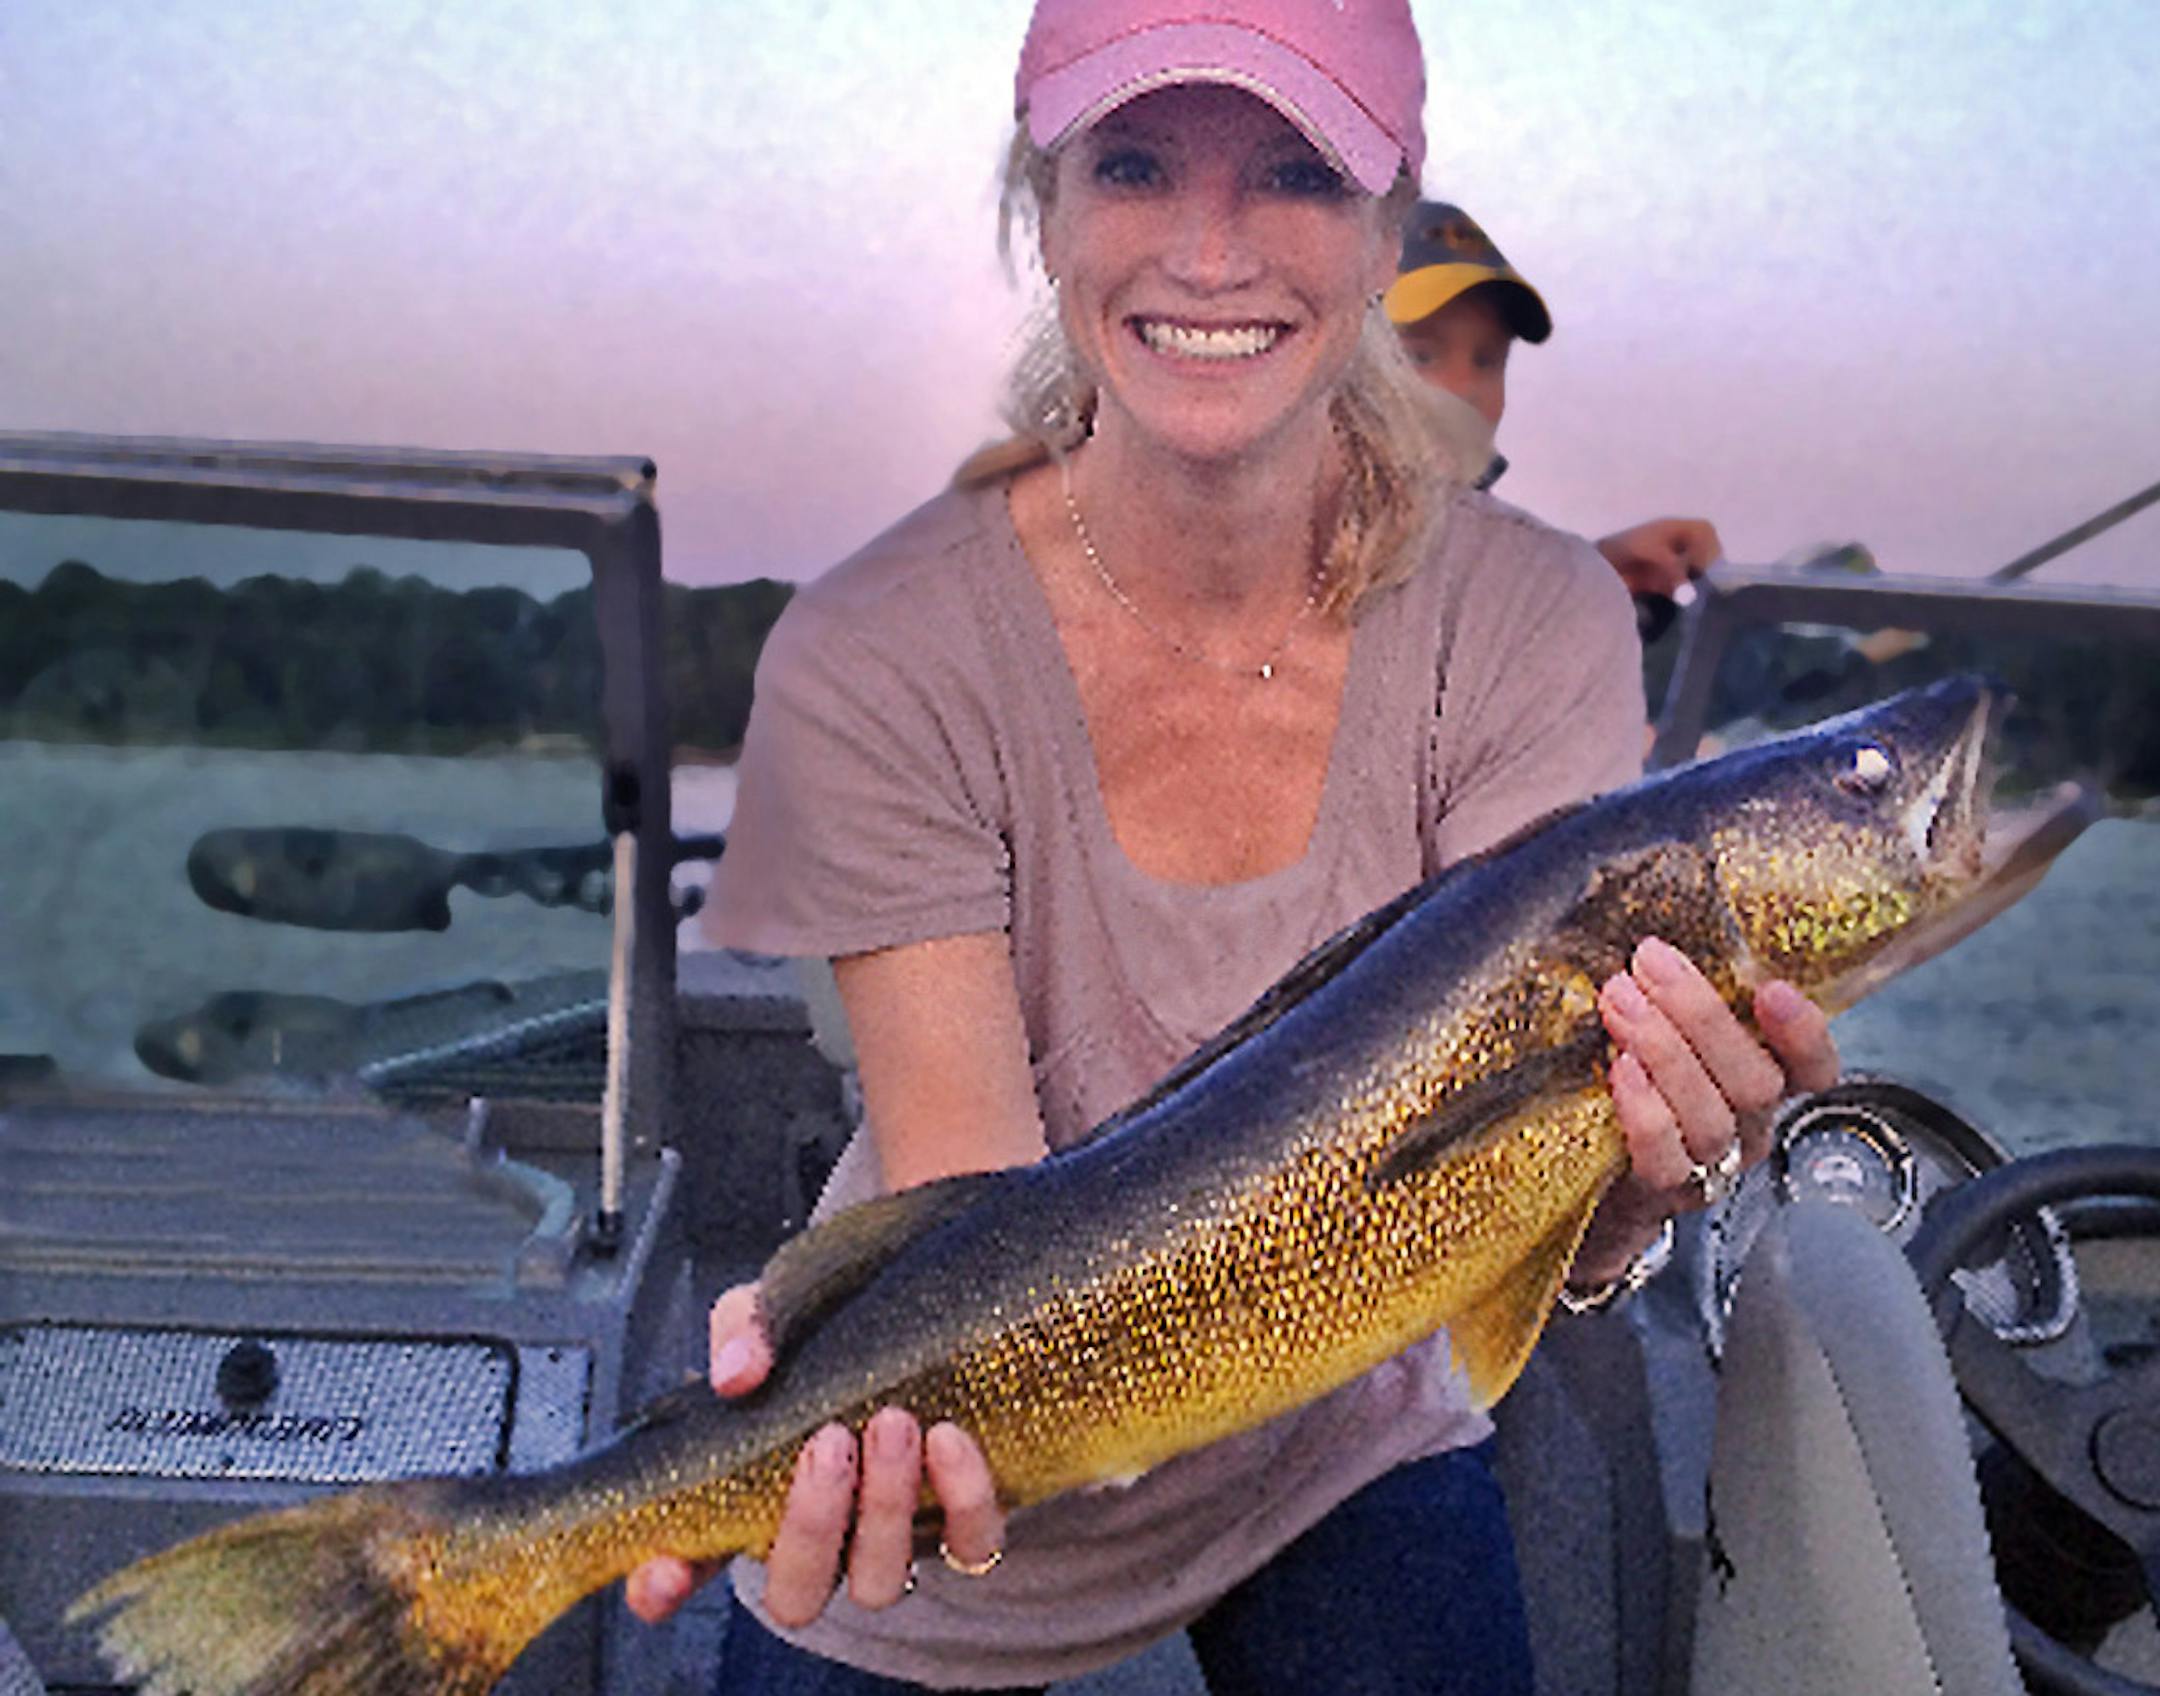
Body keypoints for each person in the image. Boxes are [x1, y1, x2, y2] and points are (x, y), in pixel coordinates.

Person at [630, 2, 1839, 1690]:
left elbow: (1535, 1163)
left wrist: (1653, 1172)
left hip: (1342, 1432)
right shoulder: (874, 648)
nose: (1209, 252)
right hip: (989, 1420)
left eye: (1292, 171)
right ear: (1041, 211)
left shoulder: (1539, 617)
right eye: (1133, 165)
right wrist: (861, 1430)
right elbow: (972, 1201)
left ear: (1384, 230)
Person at [1383, 201, 1724, 612]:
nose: (1466, 387)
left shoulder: (1472, 544)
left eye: (1487, 360)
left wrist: (1593, 573)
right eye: (1422, 356)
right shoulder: (1304, 543)